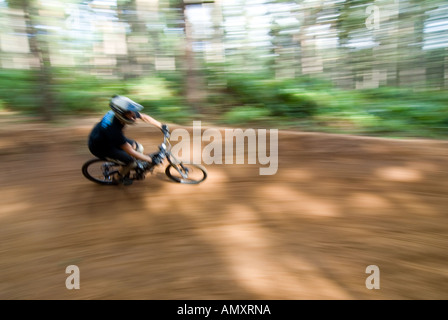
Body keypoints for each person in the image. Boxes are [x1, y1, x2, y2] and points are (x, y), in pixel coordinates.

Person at [88, 95, 169, 185]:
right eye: (130, 113)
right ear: (121, 114)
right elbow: (130, 151)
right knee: (131, 163)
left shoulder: (122, 113)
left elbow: (144, 117)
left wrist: (161, 126)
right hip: (101, 147)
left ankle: (130, 166)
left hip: (107, 137)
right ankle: (118, 177)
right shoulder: (113, 130)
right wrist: (150, 160)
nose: (133, 114)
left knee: (139, 147)